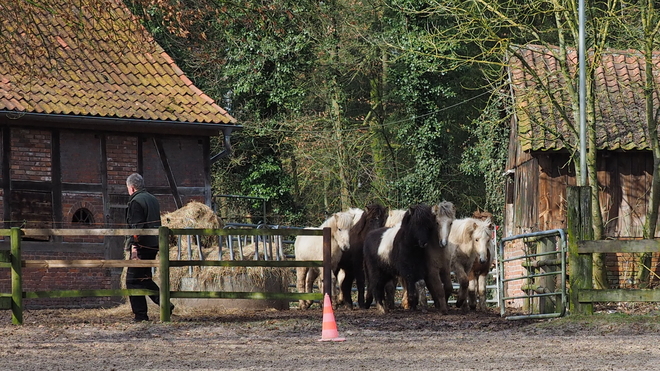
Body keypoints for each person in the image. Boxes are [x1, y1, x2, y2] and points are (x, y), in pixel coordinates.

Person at [125, 173, 174, 322]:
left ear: (132, 188)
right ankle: (165, 303)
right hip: (154, 244)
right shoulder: (153, 199)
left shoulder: (136, 202)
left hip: (142, 245)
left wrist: (134, 249)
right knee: (144, 278)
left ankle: (141, 316)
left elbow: (136, 227)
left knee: (132, 280)